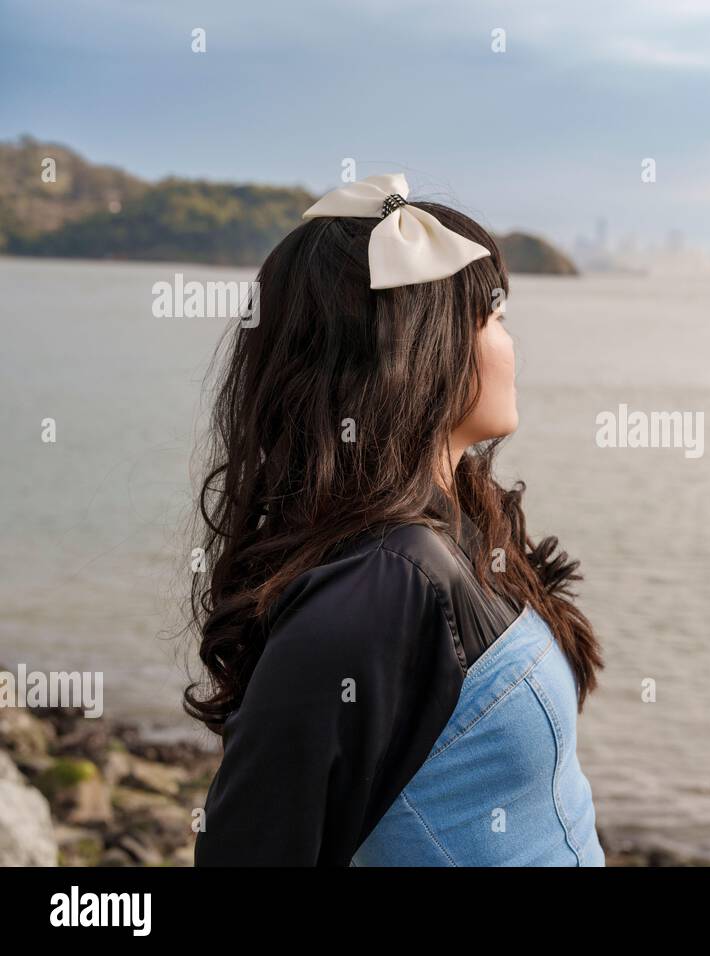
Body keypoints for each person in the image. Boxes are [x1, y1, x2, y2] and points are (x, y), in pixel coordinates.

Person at [185, 174, 606, 866]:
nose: (513, 344)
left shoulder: (461, 529)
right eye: (495, 318)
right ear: (422, 347)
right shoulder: (382, 587)